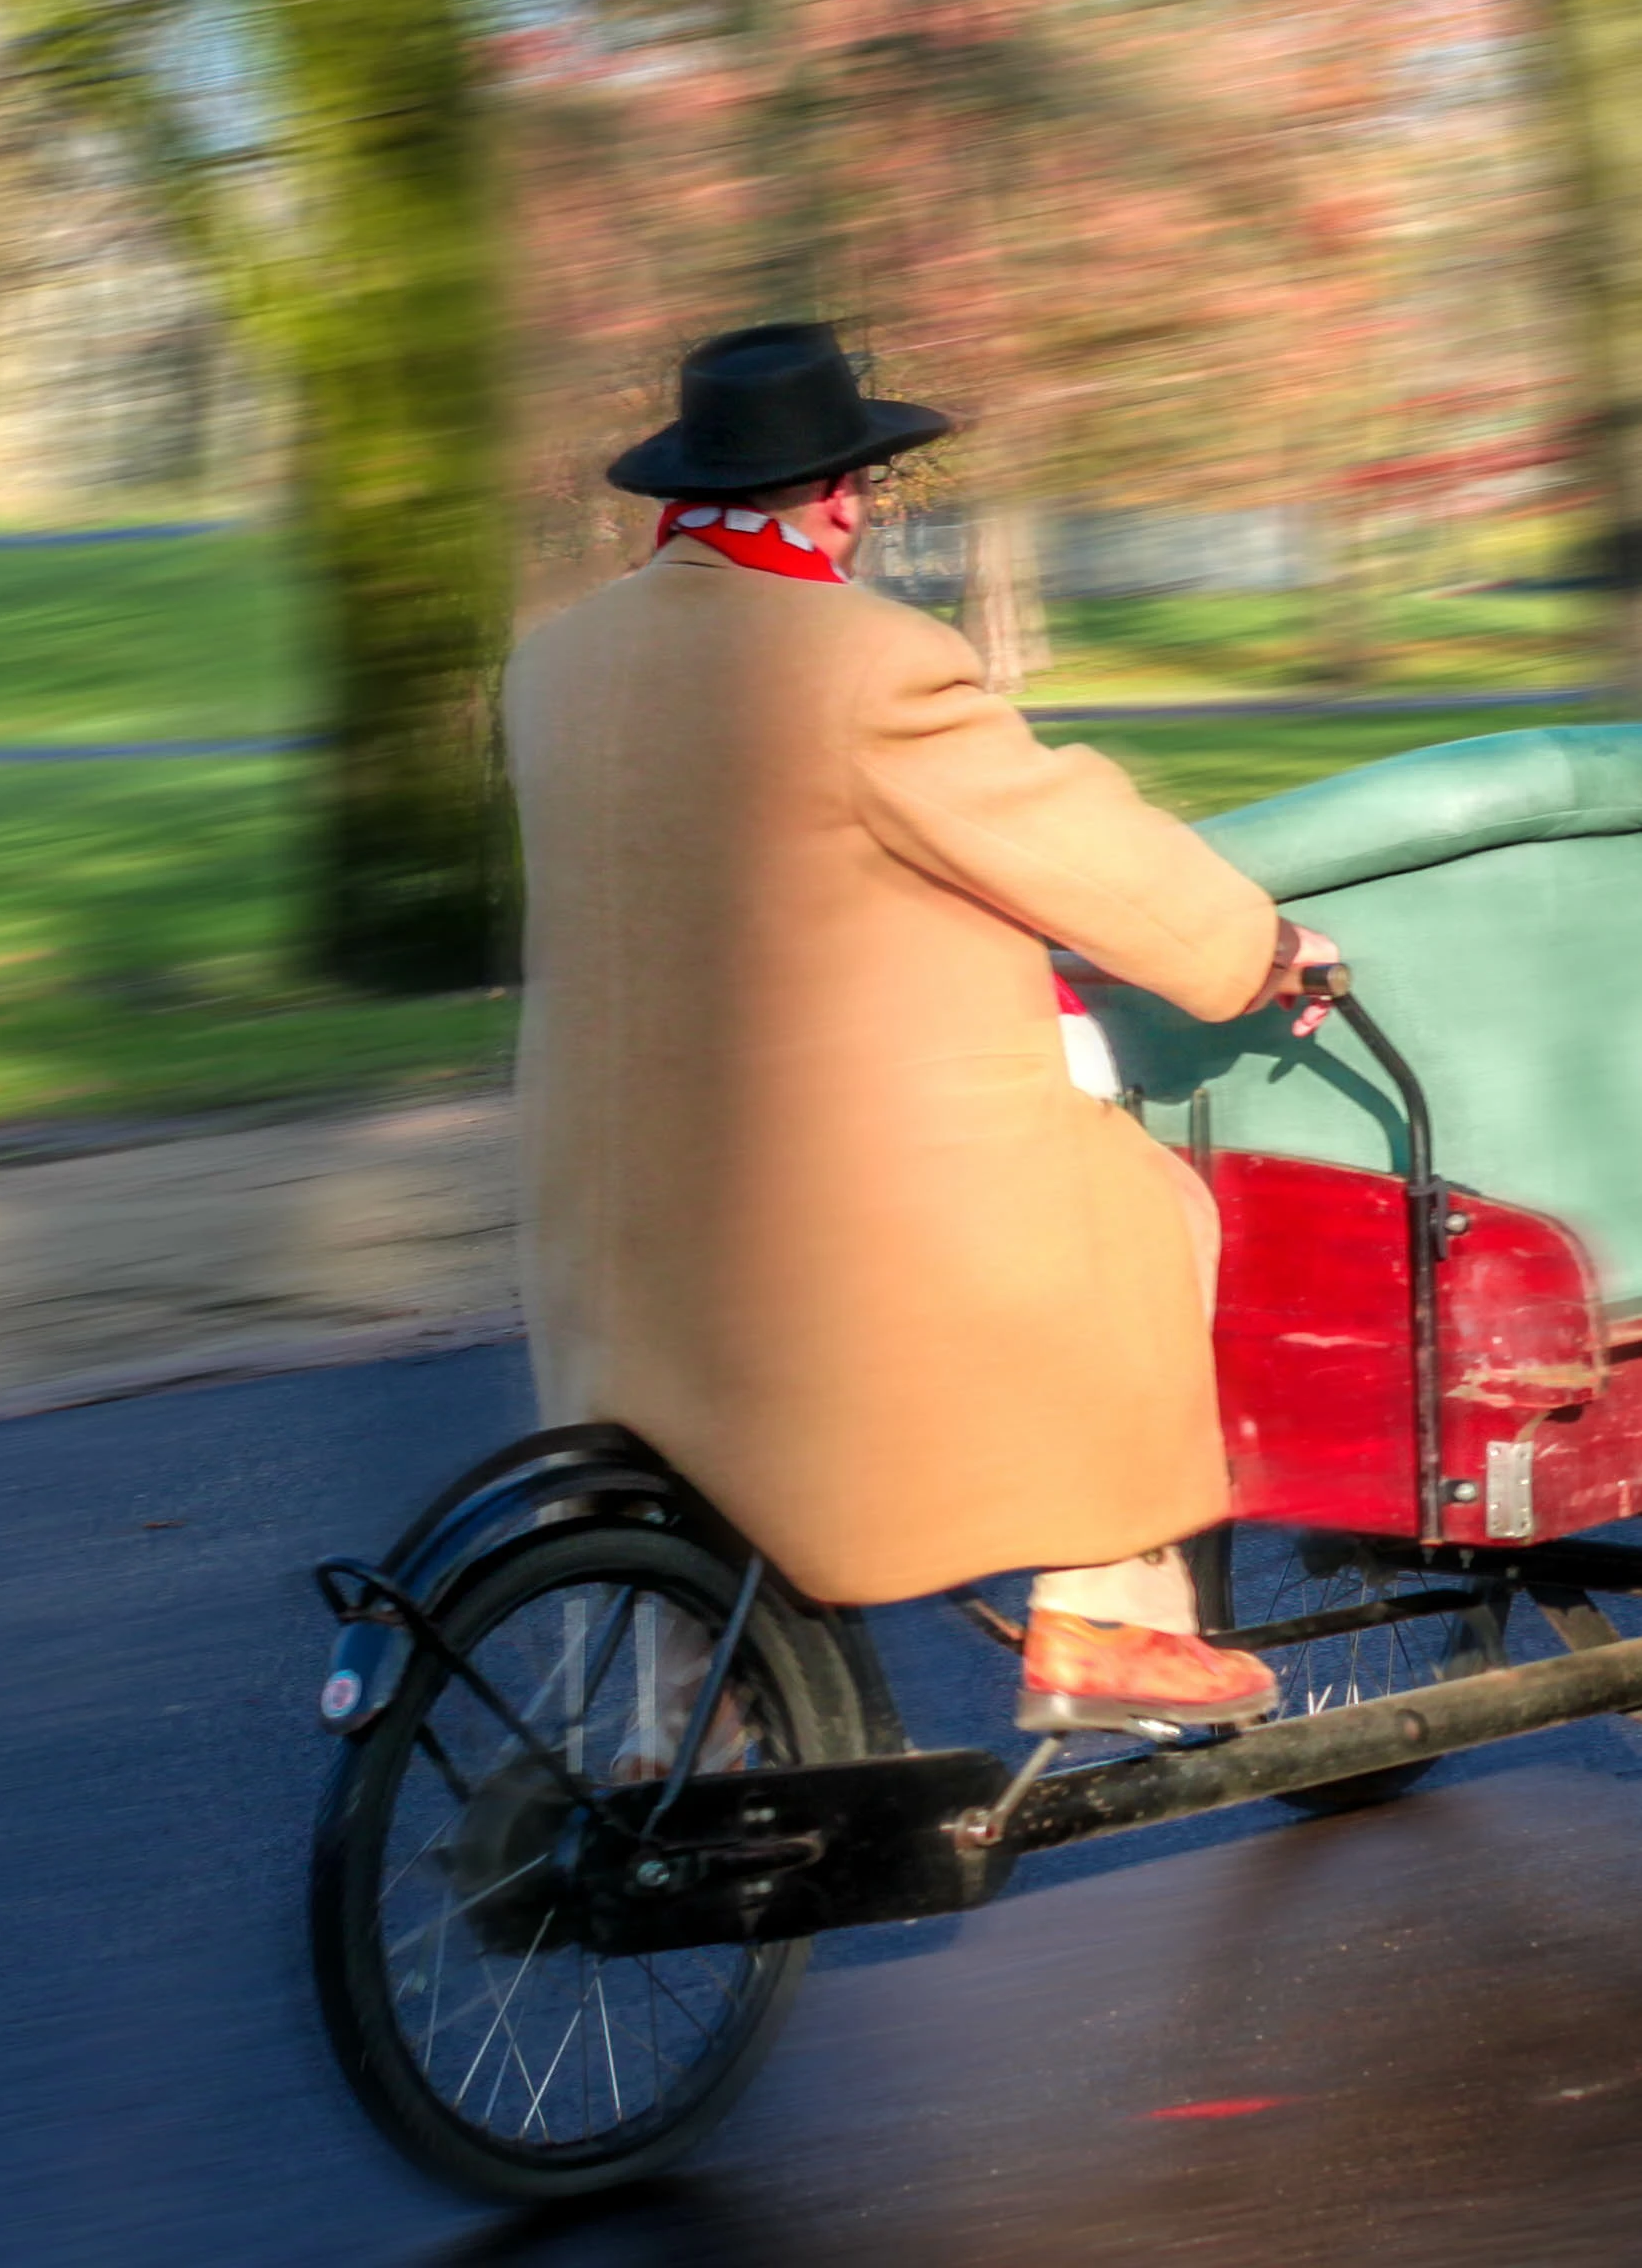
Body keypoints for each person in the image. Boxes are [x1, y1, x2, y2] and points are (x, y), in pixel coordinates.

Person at [505, 323, 1339, 1735]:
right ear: (839, 497)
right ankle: (1109, 1620)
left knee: (679, 1426)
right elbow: (1063, 843)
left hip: (611, 1180)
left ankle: (681, 1726)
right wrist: (1255, 948)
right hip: (834, 1184)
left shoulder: (556, 665)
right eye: (868, 496)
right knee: (1145, 1220)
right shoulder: (865, 663)